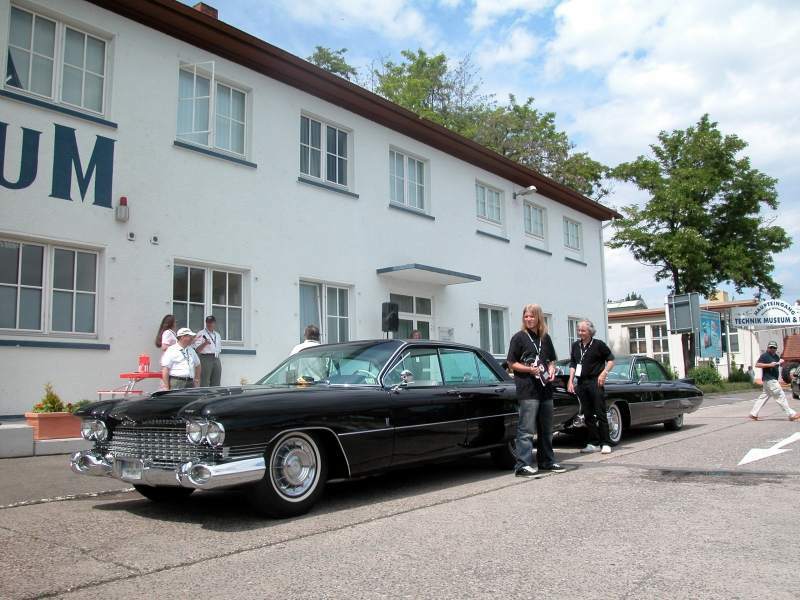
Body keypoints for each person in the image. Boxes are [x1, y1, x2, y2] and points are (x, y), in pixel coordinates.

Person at [506, 304, 565, 477]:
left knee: (546, 429)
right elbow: (511, 363)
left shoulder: (545, 338)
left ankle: (547, 461)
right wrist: (529, 370)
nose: (529, 319)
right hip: (528, 389)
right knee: (526, 430)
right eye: (526, 316)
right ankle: (523, 465)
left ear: (539, 317)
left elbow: (552, 360)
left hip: (545, 388)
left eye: (532, 316)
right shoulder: (519, 338)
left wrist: (552, 368)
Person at [567, 319, 615, 454]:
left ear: (590, 331)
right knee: (587, 414)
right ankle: (593, 442)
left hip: (595, 381)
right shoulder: (576, 345)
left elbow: (611, 360)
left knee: (600, 412)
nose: (580, 333)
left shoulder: (599, 345)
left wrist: (604, 373)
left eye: (583, 330)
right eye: (579, 330)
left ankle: (606, 442)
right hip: (582, 382)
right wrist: (570, 381)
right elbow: (573, 364)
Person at [749, 340, 800, 421]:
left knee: (763, 397)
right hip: (770, 380)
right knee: (780, 395)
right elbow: (757, 364)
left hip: (770, 381)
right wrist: (769, 365)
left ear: (776, 348)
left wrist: (781, 362)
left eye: (774, 347)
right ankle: (791, 414)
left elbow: (779, 365)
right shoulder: (765, 356)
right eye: (771, 347)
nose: (772, 349)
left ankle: (753, 413)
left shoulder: (776, 356)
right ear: (768, 348)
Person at [194, 315, 222, 387]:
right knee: (205, 381)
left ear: (215, 323)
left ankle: (215, 396)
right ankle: (205, 396)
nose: (210, 324)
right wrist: (205, 343)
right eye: (208, 322)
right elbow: (197, 350)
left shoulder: (217, 335)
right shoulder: (201, 333)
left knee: (216, 380)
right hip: (205, 358)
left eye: (211, 322)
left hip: (216, 358)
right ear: (206, 323)